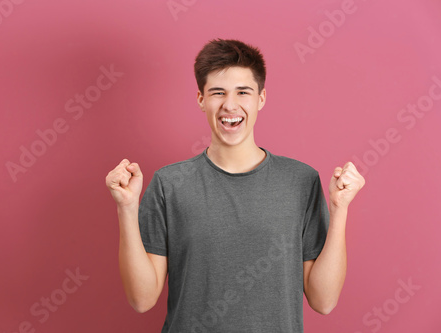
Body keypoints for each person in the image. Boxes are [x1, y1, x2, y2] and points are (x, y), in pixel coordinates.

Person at [105, 38, 365, 332]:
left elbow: (324, 300)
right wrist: (126, 208)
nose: (230, 105)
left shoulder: (301, 181)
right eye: (218, 92)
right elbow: (142, 299)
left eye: (243, 92)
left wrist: (340, 209)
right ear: (201, 99)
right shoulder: (169, 184)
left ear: (261, 98)